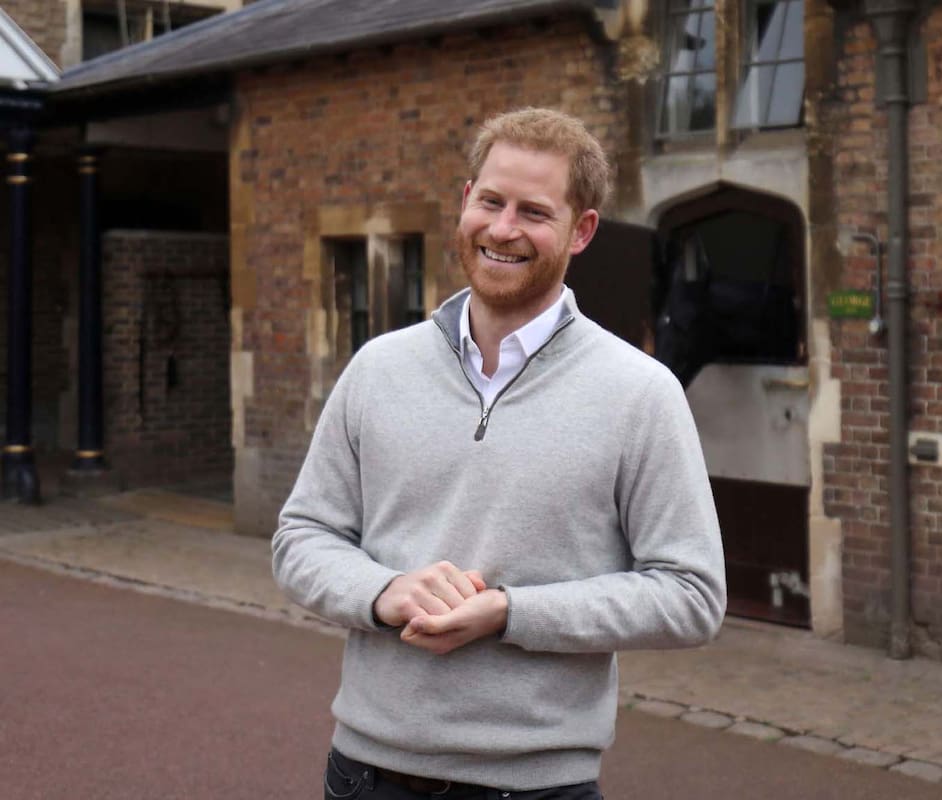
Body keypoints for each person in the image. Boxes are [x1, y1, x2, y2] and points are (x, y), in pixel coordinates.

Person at [273, 107, 726, 800]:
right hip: (363, 773)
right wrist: (385, 591)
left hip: (536, 785)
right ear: (466, 201)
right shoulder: (378, 368)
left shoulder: (640, 393)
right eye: (491, 201)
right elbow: (302, 539)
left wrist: (512, 613)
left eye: (534, 212)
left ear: (582, 231)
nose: (504, 229)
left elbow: (691, 596)